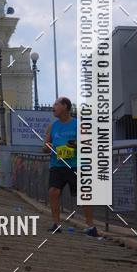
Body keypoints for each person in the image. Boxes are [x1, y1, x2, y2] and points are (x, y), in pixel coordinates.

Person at [43, 96, 99, 237]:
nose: (53, 107)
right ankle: (56, 224)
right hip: (57, 165)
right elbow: (44, 147)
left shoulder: (78, 125)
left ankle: (91, 226)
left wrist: (75, 145)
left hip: (76, 165)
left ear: (65, 107)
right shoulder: (52, 126)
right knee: (53, 192)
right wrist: (48, 147)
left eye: (56, 104)